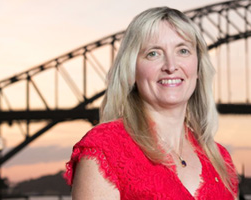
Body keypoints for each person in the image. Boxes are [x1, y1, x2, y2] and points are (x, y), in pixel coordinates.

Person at [64, 7, 238, 199]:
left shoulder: (219, 159)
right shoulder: (105, 150)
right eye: (153, 53)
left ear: (197, 69)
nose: (171, 66)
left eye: (183, 51)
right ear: (131, 71)